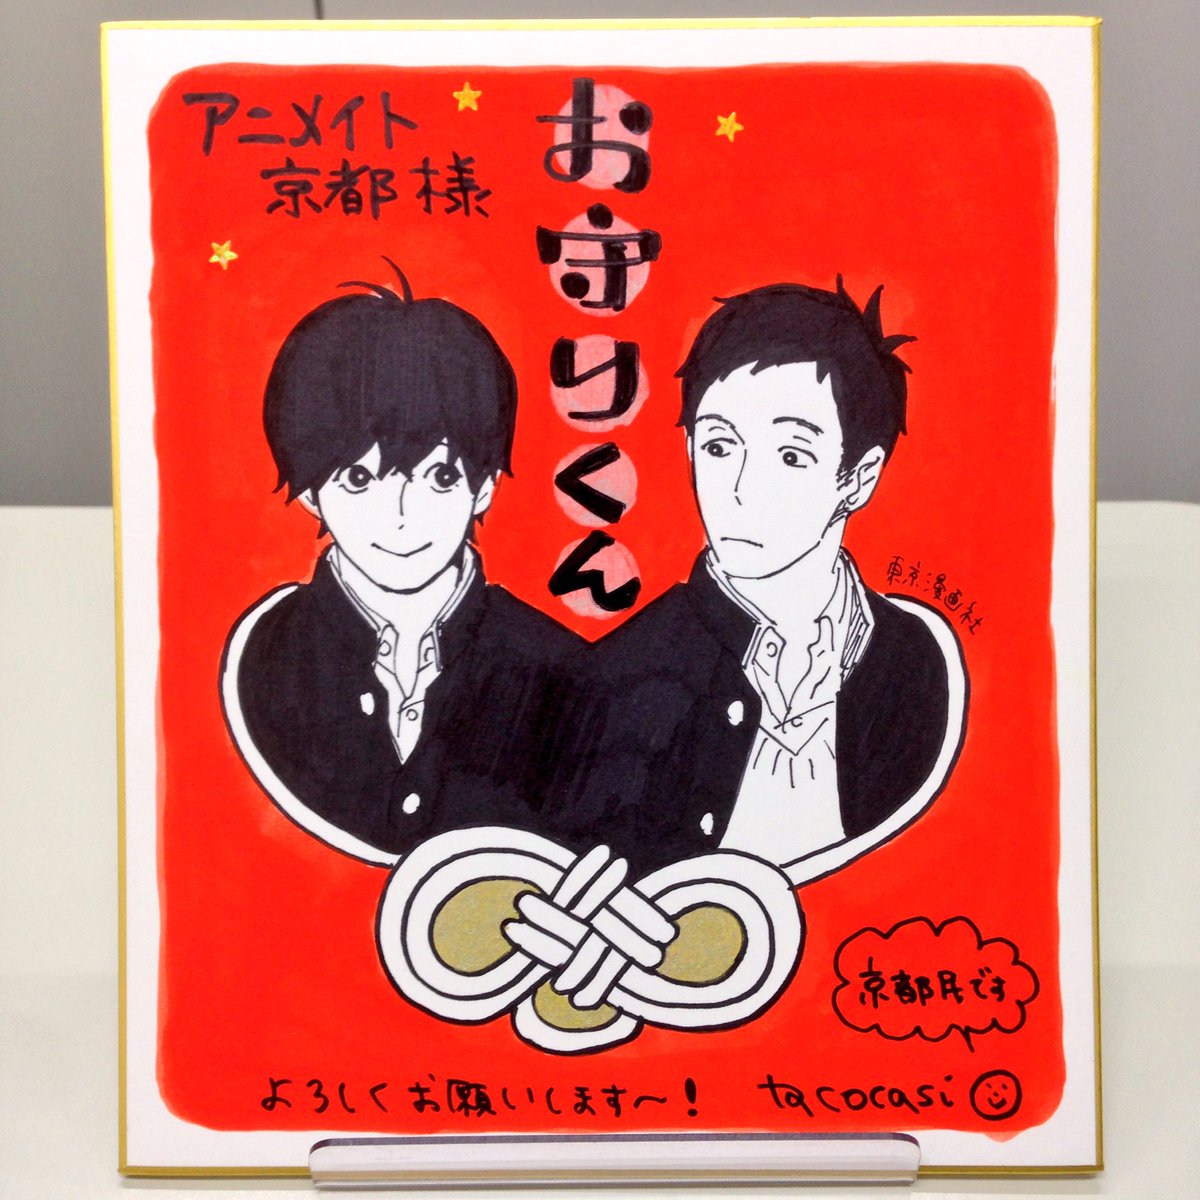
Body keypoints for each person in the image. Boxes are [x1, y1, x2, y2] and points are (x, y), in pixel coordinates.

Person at [552, 279, 966, 877]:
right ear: (689, 450)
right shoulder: (621, 679)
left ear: (858, 478)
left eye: (791, 456)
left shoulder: (914, 656)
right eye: (720, 446)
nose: (742, 490)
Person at [221, 264, 579, 864]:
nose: (402, 517)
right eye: (359, 480)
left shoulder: (555, 668)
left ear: (485, 486)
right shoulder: (265, 653)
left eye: (440, 477)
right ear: (309, 491)